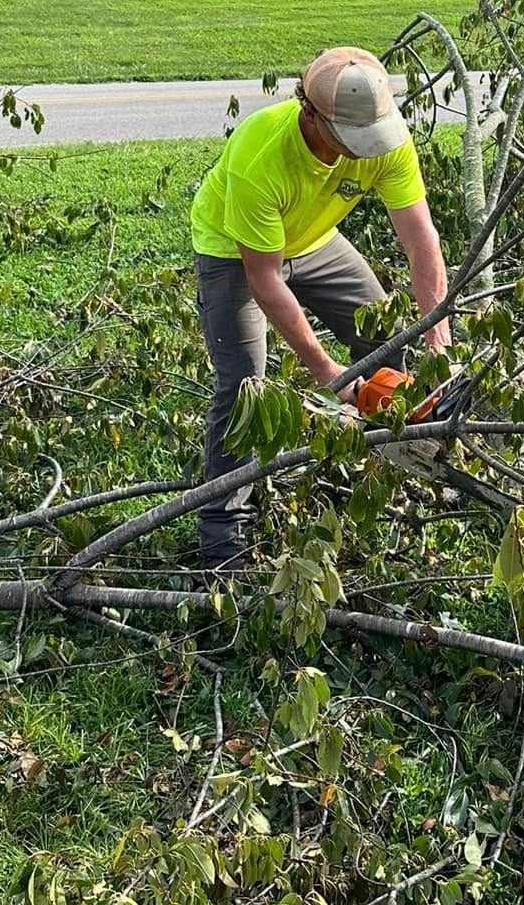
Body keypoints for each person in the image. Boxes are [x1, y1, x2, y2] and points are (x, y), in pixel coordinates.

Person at [189, 45, 450, 569]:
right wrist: (329, 373)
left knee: (386, 337)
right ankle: (223, 536)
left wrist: (438, 341)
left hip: (314, 241)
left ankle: (390, 460)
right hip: (234, 252)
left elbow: (422, 242)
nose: (365, 149)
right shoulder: (261, 154)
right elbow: (265, 281)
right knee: (246, 386)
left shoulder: (386, 140)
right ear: (311, 112)